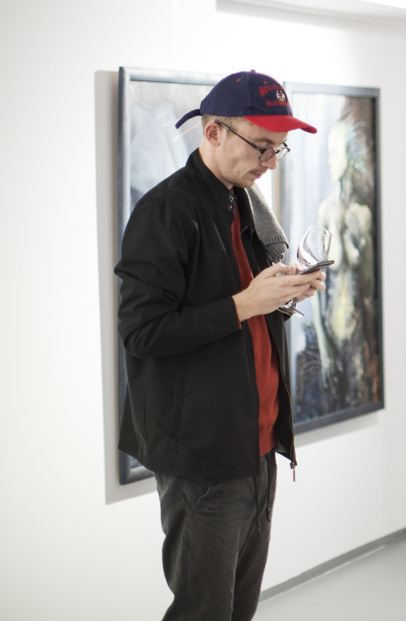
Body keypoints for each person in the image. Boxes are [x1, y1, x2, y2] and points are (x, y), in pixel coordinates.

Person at [116, 71, 326, 621]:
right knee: (203, 610)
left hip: (257, 445)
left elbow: (246, 308)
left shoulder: (246, 204)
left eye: (279, 148)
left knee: (238, 608)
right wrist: (244, 304)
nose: (271, 162)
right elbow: (142, 331)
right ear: (213, 132)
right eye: (262, 146)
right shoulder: (165, 211)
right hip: (203, 454)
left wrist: (283, 293)